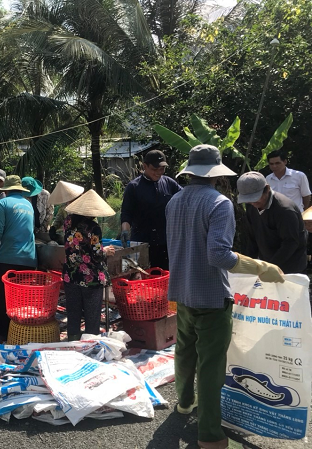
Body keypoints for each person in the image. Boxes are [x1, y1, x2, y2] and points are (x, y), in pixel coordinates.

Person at [166, 145, 284, 449]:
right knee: (210, 367)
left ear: (190, 171)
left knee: (184, 351)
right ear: (217, 174)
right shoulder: (219, 203)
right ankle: (210, 436)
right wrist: (260, 267)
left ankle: (184, 403)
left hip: (182, 292)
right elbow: (218, 254)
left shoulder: (174, 201)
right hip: (212, 298)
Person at [0, 175, 37, 339]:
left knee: (3, 296)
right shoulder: (28, 205)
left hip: (9, 259)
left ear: (6, 190)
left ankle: (2, 332)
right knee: (22, 298)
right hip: (29, 259)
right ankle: (21, 331)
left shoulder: (2, 203)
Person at [62, 190, 116, 341]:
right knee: (92, 314)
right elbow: (96, 254)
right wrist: (105, 251)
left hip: (70, 274)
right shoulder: (93, 228)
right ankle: (90, 342)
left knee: (73, 311)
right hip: (90, 277)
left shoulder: (68, 221)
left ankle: (72, 340)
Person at [120, 149, 182, 270]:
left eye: (162, 169)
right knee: (140, 278)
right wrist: (125, 231)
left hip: (166, 242)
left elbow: (184, 198)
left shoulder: (169, 183)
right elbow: (126, 213)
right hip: (141, 243)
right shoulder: (133, 187)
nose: (159, 172)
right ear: (145, 166)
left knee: (164, 277)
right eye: (154, 169)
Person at [236, 171, 307, 274]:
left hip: (290, 267)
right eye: (248, 200)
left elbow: (290, 243)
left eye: (255, 198)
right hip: (267, 263)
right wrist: (248, 265)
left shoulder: (285, 210)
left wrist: (270, 267)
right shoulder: (251, 207)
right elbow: (252, 238)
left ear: (267, 189)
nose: (252, 202)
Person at [21, 176, 54, 242]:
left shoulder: (45, 195)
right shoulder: (20, 197)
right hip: (26, 230)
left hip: (43, 228)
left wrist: (42, 227)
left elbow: (50, 212)